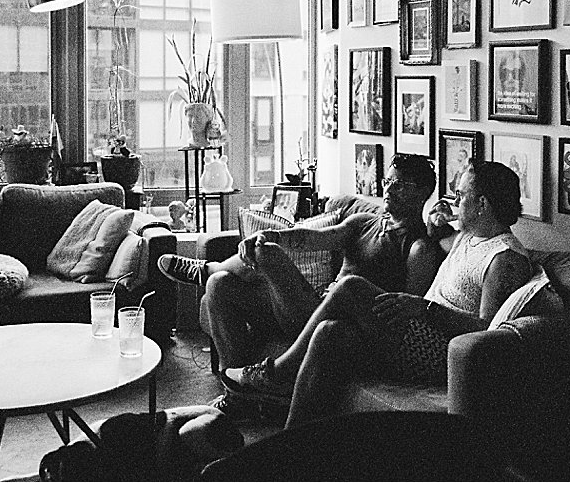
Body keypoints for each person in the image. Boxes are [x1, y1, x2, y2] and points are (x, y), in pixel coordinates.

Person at [221, 161, 561, 428]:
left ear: (483, 204)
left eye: (462, 194)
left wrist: (423, 308)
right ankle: (291, 451)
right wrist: (437, 221)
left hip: (439, 350)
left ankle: (276, 374)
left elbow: (486, 332)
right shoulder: (469, 235)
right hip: (417, 329)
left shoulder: (505, 260)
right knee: (330, 333)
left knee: (351, 287)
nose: (456, 199)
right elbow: (436, 235)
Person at [155, 153, 442, 420]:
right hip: (307, 307)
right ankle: (238, 396)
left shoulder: (419, 248)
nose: (389, 190)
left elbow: (405, 318)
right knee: (221, 285)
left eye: (401, 185)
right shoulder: (364, 222)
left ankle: (208, 272)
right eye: (388, 181)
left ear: (422, 193)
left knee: (267, 253)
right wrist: (273, 233)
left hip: (331, 325)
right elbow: (311, 239)